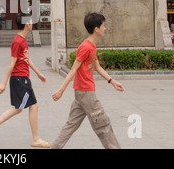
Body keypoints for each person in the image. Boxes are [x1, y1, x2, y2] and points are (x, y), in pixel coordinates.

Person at [51, 12, 124, 149]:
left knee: (71, 124)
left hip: (81, 93)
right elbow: (73, 69)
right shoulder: (85, 47)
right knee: (103, 124)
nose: (105, 28)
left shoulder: (91, 46)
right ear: (96, 29)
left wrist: (112, 81)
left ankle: (55, 147)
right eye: (103, 25)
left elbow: (97, 67)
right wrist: (61, 90)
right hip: (86, 92)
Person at [0, 12, 50, 148]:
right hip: (20, 79)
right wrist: (3, 82)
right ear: (26, 24)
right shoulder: (18, 41)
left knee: (18, 109)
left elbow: (25, 58)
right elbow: (12, 63)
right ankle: (35, 139)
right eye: (30, 20)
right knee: (33, 106)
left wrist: (38, 73)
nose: (32, 22)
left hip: (22, 78)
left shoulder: (22, 40)